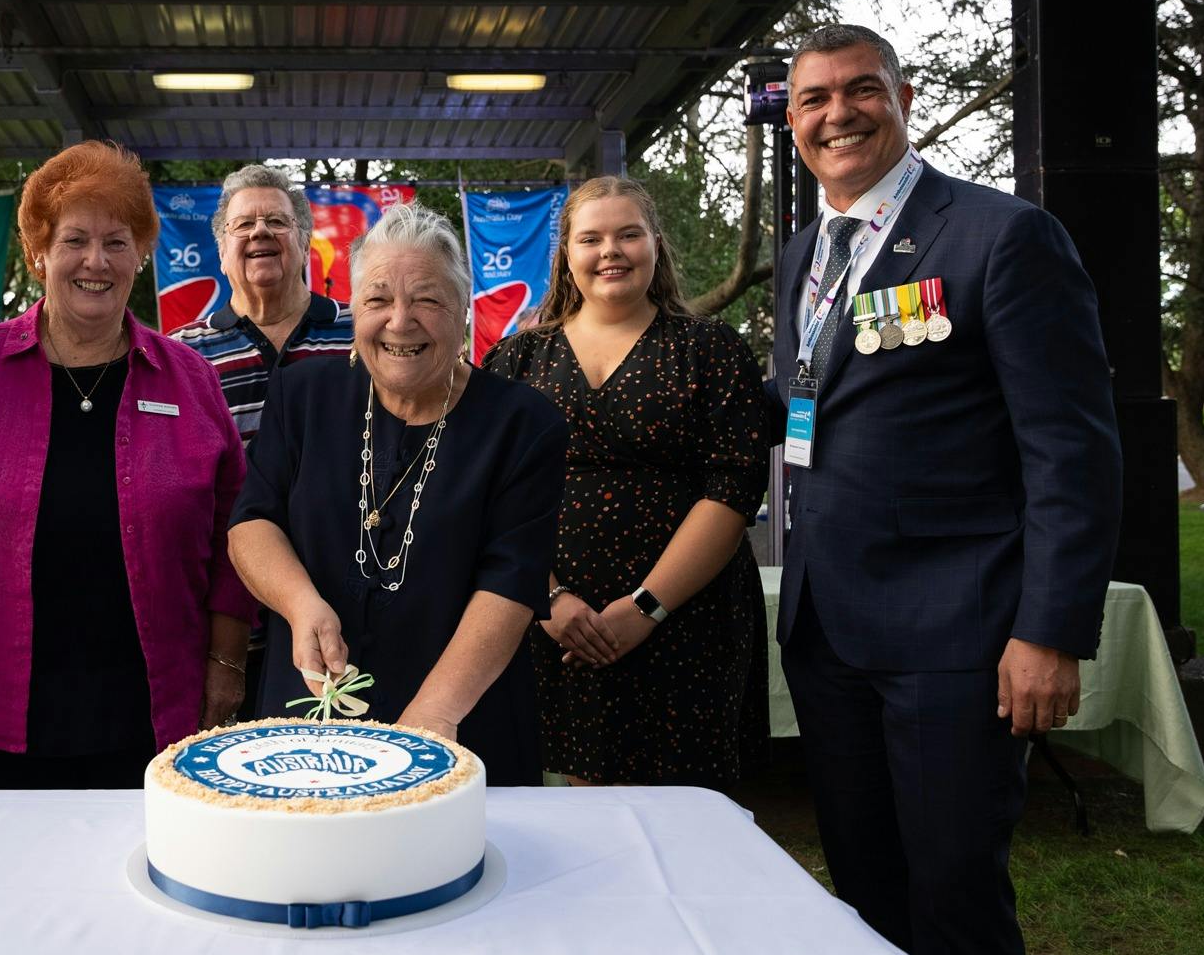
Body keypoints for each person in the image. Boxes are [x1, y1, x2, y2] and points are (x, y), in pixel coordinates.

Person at [766, 24, 1120, 955]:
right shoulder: (805, 255)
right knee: (867, 893)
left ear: (904, 97)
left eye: (860, 90)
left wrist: (1049, 630)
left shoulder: (1001, 236)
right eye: (813, 99)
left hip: (956, 640)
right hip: (829, 634)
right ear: (793, 123)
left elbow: (1072, 450)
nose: (838, 114)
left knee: (956, 897)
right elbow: (810, 411)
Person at [0, 140, 254, 789]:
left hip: (155, 703)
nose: (96, 261)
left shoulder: (190, 378)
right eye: (75, 240)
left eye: (117, 242)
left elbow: (237, 531)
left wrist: (226, 663)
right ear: (39, 253)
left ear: (141, 256)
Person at [229, 204, 566, 784]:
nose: (400, 321)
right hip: (310, 718)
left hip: (461, 717)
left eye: (428, 299)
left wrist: (434, 715)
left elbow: (512, 582)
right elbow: (252, 522)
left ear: (463, 310)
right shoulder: (303, 393)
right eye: (378, 299)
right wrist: (300, 604)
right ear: (355, 308)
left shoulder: (523, 423)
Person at [484, 176, 769, 788]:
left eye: (628, 235)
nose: (610, 251)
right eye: (591, 239)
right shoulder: (515, 361)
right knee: (580, 811)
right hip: (559, 626)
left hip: (686, 621)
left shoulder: (711, 351)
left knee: (683, 814)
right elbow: (491, 497)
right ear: (566, 254)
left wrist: (646, 608)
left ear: (656, 245)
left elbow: (733, 489)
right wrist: (548, 599)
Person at [172, 164, 354, 713]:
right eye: (243, 224)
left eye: (276, 221)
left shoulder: (360, 333)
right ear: (222, 250)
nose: (259, 233)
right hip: (228, 621)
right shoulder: (182, 355)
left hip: (345, 605)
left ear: (304, 240)